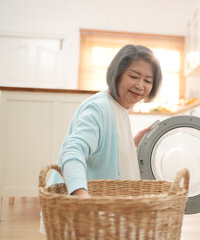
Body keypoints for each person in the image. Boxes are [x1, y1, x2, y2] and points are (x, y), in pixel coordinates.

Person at [40, 44, 162, 232]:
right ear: (117, 73)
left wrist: (133, 143)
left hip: (102, 215)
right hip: (85, 215)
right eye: (134, 76)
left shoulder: (119, 107)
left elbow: (107, 150)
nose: (140, 85)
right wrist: (83, 199)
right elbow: (73, 152)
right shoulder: (98, 107)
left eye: (148, 80)